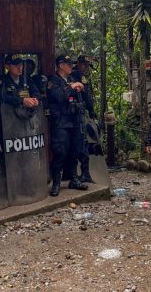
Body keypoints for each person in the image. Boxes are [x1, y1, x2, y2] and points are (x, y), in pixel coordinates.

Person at [47, 54, 89, 196]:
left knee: (74, 150)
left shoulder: (71, 79)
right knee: (60, 152)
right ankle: (56, 182)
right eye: (68, 64)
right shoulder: (53, 80)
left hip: (74, 120)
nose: (71, 67)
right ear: (61, 65)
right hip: (61, 122)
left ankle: (73, 178)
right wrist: (72, 87)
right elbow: (58, 96)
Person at [66, 55, 96, 183]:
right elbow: (86, 97)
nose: (85, 68)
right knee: (81, 143)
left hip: (75, 112)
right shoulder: (76, 76)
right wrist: (91, 110)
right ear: (78, 63)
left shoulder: (74, 75)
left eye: (87, 66)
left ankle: (82, 173)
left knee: (80, 143)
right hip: (75, 113)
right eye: (84, 65)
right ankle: (83, 173)